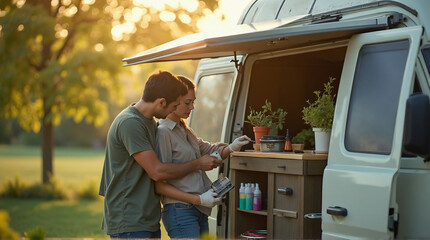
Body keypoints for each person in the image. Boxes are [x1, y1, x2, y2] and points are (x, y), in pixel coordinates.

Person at [98, 71, 223, 239]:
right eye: (174, 106)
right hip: (129, 219)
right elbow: (157, 171)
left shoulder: (148, 121)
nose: (173, 112)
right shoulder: (130, 123)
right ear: (161, 102)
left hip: (146, 218)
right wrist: (198, 164)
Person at [155, 75, 251, 238]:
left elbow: (208, 149)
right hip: (181, 211)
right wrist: (198, 199)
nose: (192, 107)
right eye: (187, 102)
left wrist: (232, 147)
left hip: (198, 210)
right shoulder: (164, 133)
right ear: (174, 101)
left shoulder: (185, 130)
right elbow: (159, 184)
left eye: (193, 102)